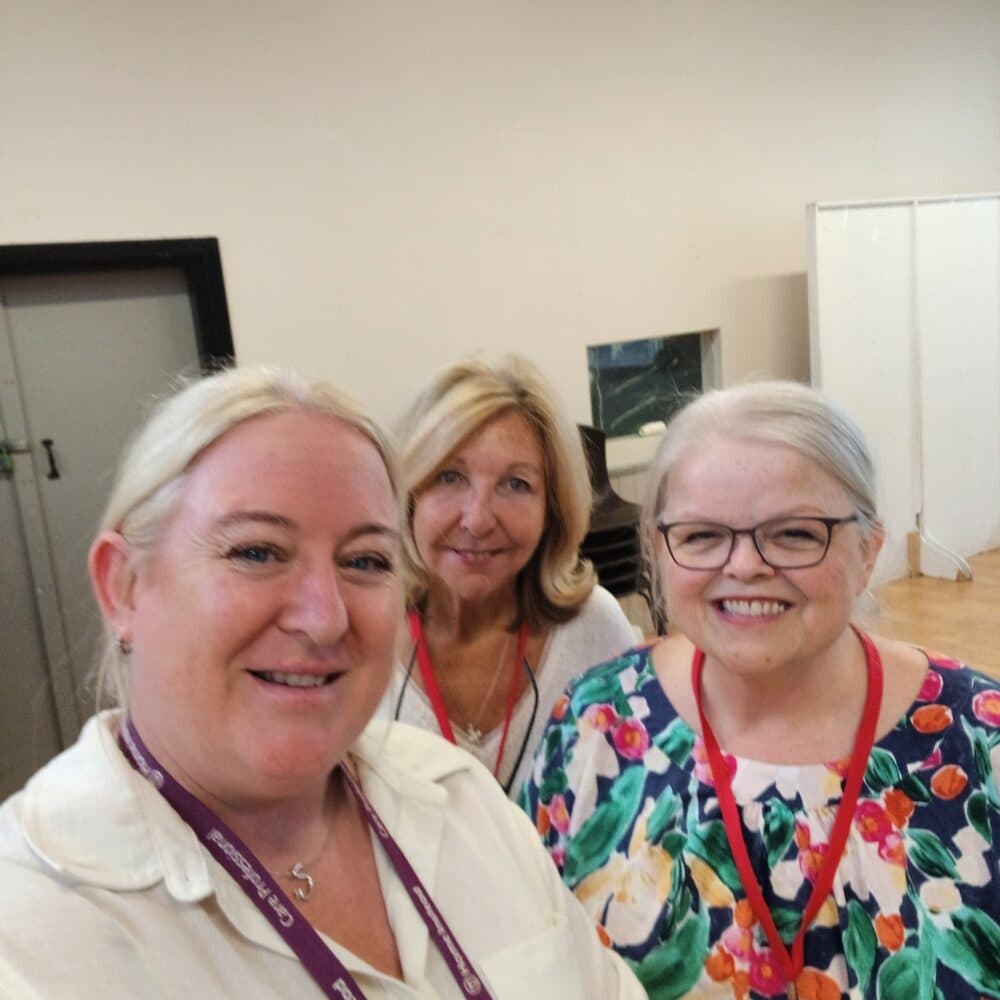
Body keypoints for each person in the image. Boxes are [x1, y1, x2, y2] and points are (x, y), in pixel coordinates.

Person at [0, 366, 646, 999]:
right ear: (125, 586)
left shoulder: (460, 797)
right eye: (256, 552)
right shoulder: (32, 932)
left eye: (364, 561)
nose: (324, 617)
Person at [522, 380, 1000, 998]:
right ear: (656, 553)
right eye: (701, 535)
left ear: (868, 550)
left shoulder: (979, 741)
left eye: (795, 534)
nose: (744, 565)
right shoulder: (594, 725)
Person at [386, 354, 637, 798]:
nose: (478, 520)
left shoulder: (594, 631)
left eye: (516, 484)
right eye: (449, 477)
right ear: (409, 494)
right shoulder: (361, 633)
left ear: (552, 508)